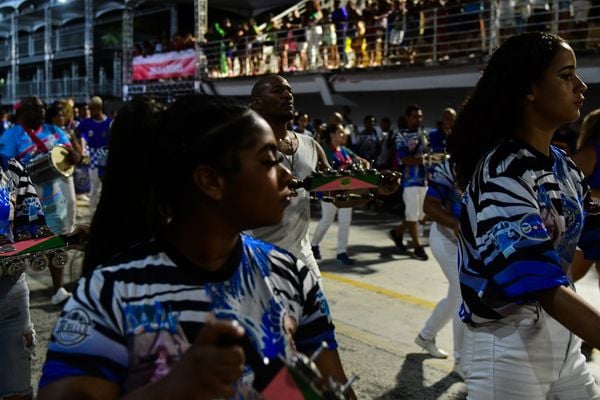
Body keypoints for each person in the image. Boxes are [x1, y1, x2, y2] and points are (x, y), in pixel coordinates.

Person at [38, 95, 356, 400]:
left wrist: (286, 386)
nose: (287, 173)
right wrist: (175, 388)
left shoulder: (292, 275)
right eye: (269, 160)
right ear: (211, 181)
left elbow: (330, 383)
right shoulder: (110, 292)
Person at [448, 32, 600, 398]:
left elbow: (591, 231)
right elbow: (538, 281)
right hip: (510, 350)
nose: (580, 86)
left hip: (564, 344)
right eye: (566, 76)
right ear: (530, 89)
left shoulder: (562, 165)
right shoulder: (503, 171)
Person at [249, 75, 331, 281]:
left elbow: (334, 192)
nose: (288, 95)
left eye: (290, 91)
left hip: (303, 257)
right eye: (278, 91)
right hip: (259, 259)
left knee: (320, 313)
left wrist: (371, 187)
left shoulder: (310, 145)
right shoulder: (244, 147)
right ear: (257, 104)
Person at [0, 96, 79, 305]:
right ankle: (14, 294)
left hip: (54, 200)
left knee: (56, 243)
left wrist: (73, 156)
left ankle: (59, 289)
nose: (42, 110)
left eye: (43, 107)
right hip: (24, 203)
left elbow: (71, 153)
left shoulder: (54, 131)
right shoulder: (12, 135)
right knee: (19, 249)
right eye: (36, 108)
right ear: (23, 112)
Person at [0, 155, 54, 400]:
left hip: (9, 293)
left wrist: (55, 240)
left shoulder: (9, 168)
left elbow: (31, 227)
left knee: (18, 392)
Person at [414, 156, 465, 377]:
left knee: (455, 295)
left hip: (471, 243)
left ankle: (426, 336)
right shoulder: (450, 166)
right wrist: (454, 223)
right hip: (446, 238)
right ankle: (462, 362)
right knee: (464, 293)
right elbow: (429, 205)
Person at [311, 123, 369, 266]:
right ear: (332, 134)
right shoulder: (325, 150)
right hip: (330, 192)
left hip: (347, 191)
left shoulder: (344, 150)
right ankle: (314, 245)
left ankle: (341, 252)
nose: (344, 135)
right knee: (327, 221)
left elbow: (364, 161)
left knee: (345, 223)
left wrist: (364, 168)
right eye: (341, 132)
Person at [389, 104, 429, 261]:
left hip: (423, 179)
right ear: (407, 118)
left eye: (420, 116)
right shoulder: (401, 135)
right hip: (409, 180)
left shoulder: (423, 133)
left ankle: (398, 232)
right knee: (413, 215)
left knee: (422, 214)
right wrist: (426, 159)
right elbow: (405, 159)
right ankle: (417, 247)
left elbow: (426, 153)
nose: (418, 119)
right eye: (415, 116)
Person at [77, 96, 111, 215]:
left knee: (107, 192)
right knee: (94, 191)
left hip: (107, 163)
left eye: (91, 109)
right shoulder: (86, 123)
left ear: (99, 108)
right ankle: (93, 216)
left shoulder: (109, 123)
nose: (89, 111)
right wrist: (80, 149)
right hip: (94, 163)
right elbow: (76, 134)